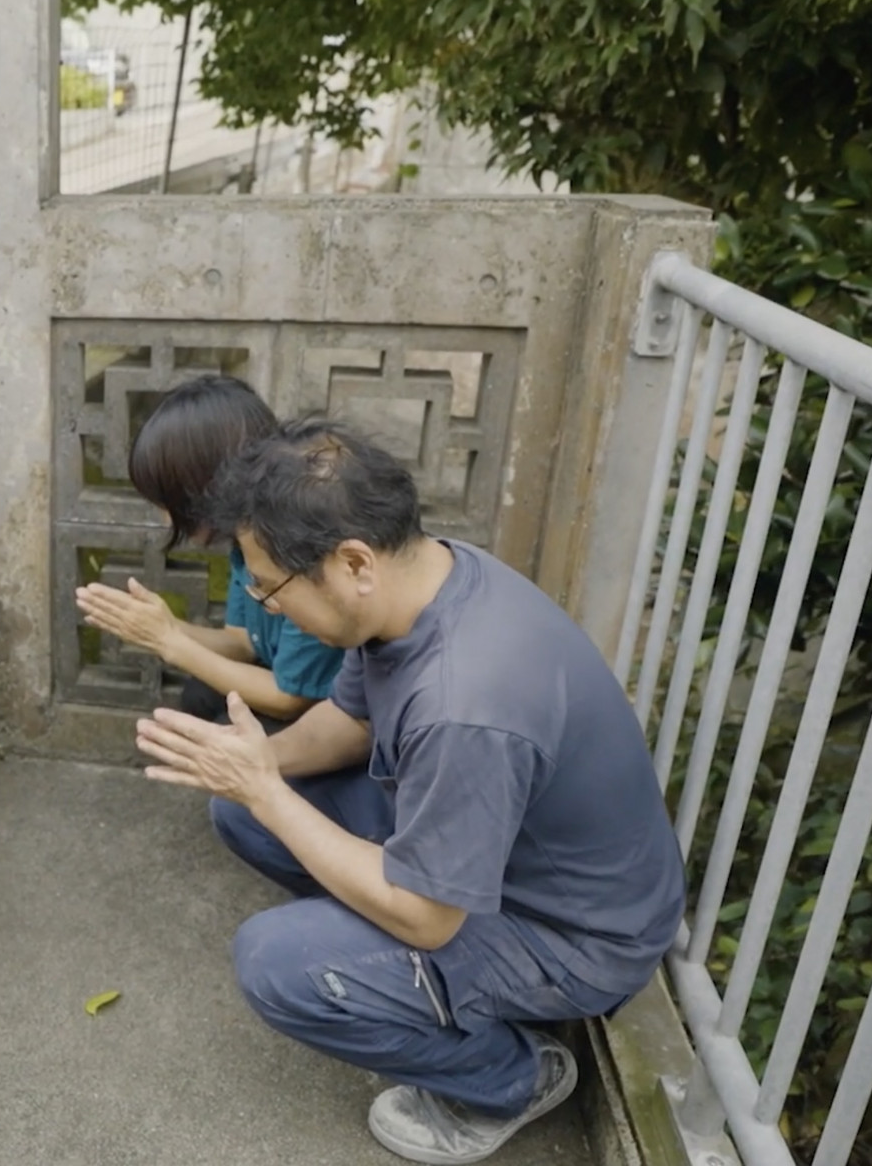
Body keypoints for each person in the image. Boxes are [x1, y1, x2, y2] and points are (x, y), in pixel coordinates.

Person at [134, 417, 685, 1166]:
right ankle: (406, 980)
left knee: (277, 962)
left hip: (574, 939)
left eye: (271, 588)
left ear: (353, 561)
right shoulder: (426, 582)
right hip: (506, 866)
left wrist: (270, 794)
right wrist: (255, 761)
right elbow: (349, 721)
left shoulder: (470, 701)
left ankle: (512, 1079)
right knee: (243, 809)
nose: (267, 606)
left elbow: (427, 918)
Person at [74, 376, 342, 732]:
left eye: (166, 499)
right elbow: (243, 643)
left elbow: (291, 697)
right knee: (201, 695)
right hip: (285, 680)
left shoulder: (300, 549)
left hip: (333, 710)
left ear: (207, 486)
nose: (165, 516)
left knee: (239, 727)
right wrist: (161, 626)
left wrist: (169, 642)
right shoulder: (245, 544)